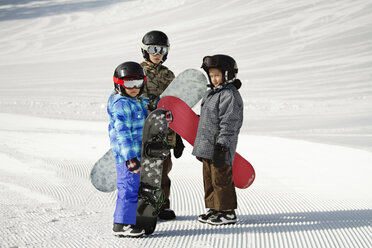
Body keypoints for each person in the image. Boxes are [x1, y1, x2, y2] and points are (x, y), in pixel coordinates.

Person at [192, 54, 243, 225]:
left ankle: (227, 211)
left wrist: (222, 145)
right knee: (209, 179)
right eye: (212, 75)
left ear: (227, 75)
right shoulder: (210, 94)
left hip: (220, 147)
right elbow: (206, 120)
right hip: (207, 147)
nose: (214, 79)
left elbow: (229, 122)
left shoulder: (230, 95)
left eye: (217, 75)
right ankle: (214, 208)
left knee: (221, 180)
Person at [140, 30, 185, 220]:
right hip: (148, 131)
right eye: (153, 49)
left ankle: (163, 206)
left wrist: (179, 134)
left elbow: (175, 104)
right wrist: (150, 104)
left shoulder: (169, 75)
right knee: (147, 172)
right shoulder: (138, 72)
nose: (157, 53)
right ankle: (145, 206)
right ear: (145, 50)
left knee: (164, 173)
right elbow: (134, 97)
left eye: (161, 49)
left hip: (167, 133)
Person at [108, 61, 149, 237]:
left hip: (137, 155)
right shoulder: (121, 105)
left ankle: (131, 220)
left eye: (138, 83)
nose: (134, 88)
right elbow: (122, 134)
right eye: (129, 84)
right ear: (119, 85)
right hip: (127, 157)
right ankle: (121, 224)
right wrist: (130, 158)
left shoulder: (136, 101)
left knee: (134, 188)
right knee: (128, 188)